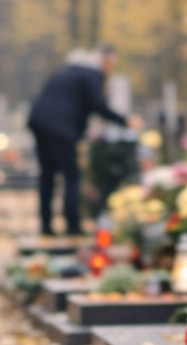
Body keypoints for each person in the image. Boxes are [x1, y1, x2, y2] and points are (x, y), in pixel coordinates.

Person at [27, 45, 128, 236]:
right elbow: (98, 105)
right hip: (60, 127)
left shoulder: (69, 71)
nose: (110, 68)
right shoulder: (92, 74)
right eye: (110, 63)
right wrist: (125, 120)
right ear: (103, 60)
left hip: (39, 121)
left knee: (47, 176)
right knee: (71, 176)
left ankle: (46, 227)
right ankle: (72, 226)